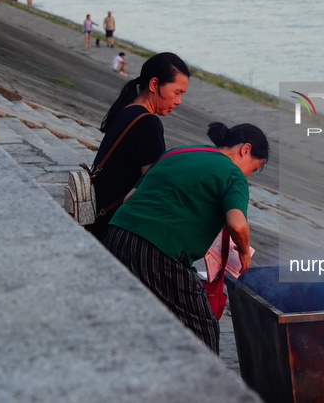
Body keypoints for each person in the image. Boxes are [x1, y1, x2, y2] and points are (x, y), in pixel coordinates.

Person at [103, 122, 269, 354]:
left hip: (117, 233)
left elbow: (129, 197)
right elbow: (237, 224)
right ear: (245, 149)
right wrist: (243, 253)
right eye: (254, 167)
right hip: (158, 249)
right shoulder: (233, 174)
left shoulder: (179, 152)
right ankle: (202, 386)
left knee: (141, 311)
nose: (248, 174)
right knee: (203, 327)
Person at [84, 52, 191, 242]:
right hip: (112, 229)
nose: (178, 101)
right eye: (177, 92)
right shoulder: (147, 123)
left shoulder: (127, 110)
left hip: (97, 218)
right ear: (154, 85)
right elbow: (152, 186)